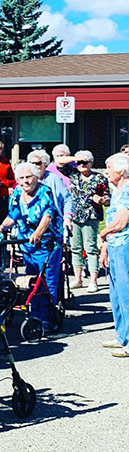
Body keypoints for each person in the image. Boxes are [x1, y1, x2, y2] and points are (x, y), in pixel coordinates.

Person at [0, 162, 61, 329]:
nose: (26, 181)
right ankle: (35, 316)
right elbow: (14, 213)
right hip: (26, 244)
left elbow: (47, 216)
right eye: (21, 178)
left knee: (46, 281)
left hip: (47, 243)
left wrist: (38, 233)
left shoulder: (44, 191)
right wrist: (2, 227)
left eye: (29, 177)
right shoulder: (18, 192)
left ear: (36, 177)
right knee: (31, 281)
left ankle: (48, 318)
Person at [99, 153, 129, 358]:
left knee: (126, 293)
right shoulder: (116, 191)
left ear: (120, 170)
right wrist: (104, 248)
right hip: (114, 246)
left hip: (125, 246)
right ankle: (122, 335)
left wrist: (102, 234)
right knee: (116, 293)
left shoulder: (127, 191)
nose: (106, 171)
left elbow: (120, 223)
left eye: (108, 167)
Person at [68, 150, 109, 293]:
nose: (81, 165)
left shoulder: (99, 178)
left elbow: (107, 198)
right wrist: (76, 158)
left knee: (90, 248)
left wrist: (102, 200)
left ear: (91, 163)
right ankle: (78, 279)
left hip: (91, 216)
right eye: (78, 163)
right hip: (74, 216)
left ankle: (93, 280)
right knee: (75, 248)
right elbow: (58, 163)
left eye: (84, 162)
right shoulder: (73, 175)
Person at [26, 149, 72, 230]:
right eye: (31, 163)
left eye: (37, 163)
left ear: (45, 165)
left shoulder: (54, 178)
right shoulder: (24, 179)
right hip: (29, 226)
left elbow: (67, 199)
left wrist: (67, 218)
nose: (34, 166)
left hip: (53, 225)